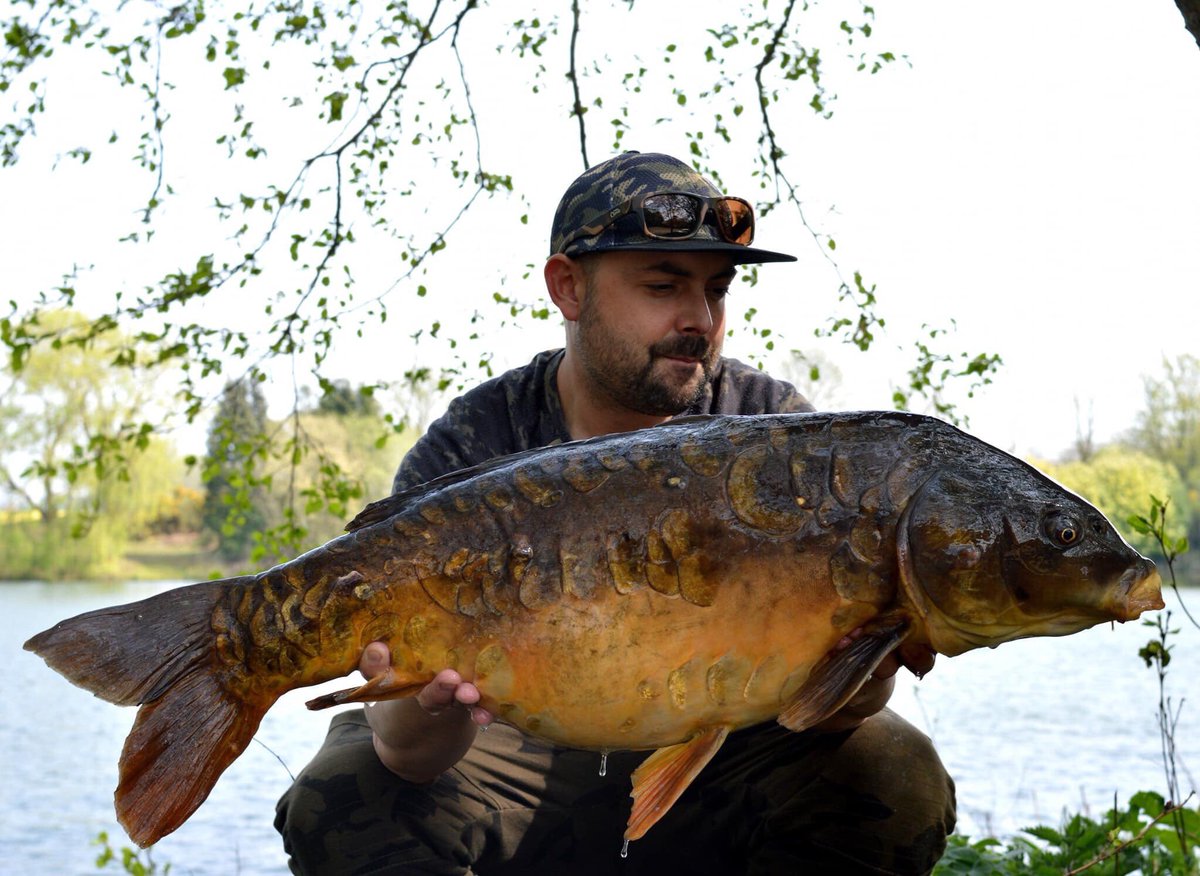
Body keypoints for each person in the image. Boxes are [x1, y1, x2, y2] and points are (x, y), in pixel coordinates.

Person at [275, 151, 956, 875]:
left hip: (722, 745)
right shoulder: (476, 443)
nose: (699, 319)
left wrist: (866, 665)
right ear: (568, 287)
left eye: (717, 291)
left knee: (894, 767)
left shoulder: (774, 430)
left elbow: (832, 711)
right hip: (513, 743)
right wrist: (429, 701)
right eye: (663, 286)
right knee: (339, 793)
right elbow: (408, 756)